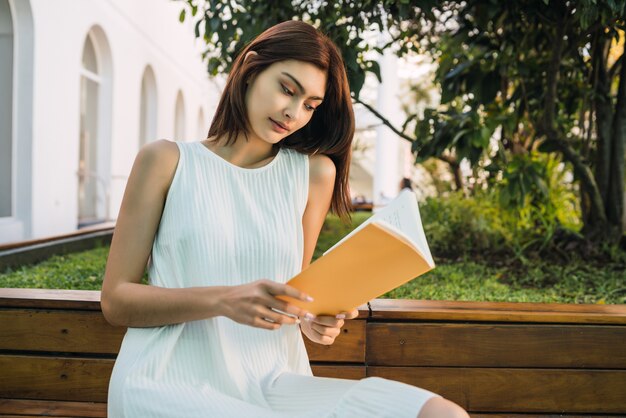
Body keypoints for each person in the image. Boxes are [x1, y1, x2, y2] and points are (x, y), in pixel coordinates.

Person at [101, 20, 469, 418]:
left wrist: (312, 322)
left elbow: (292, 296)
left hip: (274, 379)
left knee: (439, 413)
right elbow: (116, 299)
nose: (294, 113)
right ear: (249, 70)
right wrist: (224, 299)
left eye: (311, 105)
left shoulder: (313, 175)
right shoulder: (166, 160)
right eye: (287, 89)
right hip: (166, 378)